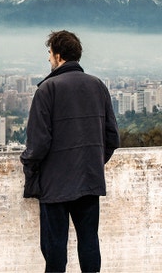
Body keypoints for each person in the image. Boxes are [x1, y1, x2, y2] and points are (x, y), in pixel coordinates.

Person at [20, 30, 120, 273]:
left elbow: (38, 143)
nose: (48, 59)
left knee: (54, 250)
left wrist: (31, 170)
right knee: (89, 242)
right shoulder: (98, 86)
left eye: (50, 53)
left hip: (55, 184)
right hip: (89, 179)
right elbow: (112, 138)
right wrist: (93, 161)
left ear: (58, 55)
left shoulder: (47, 90)